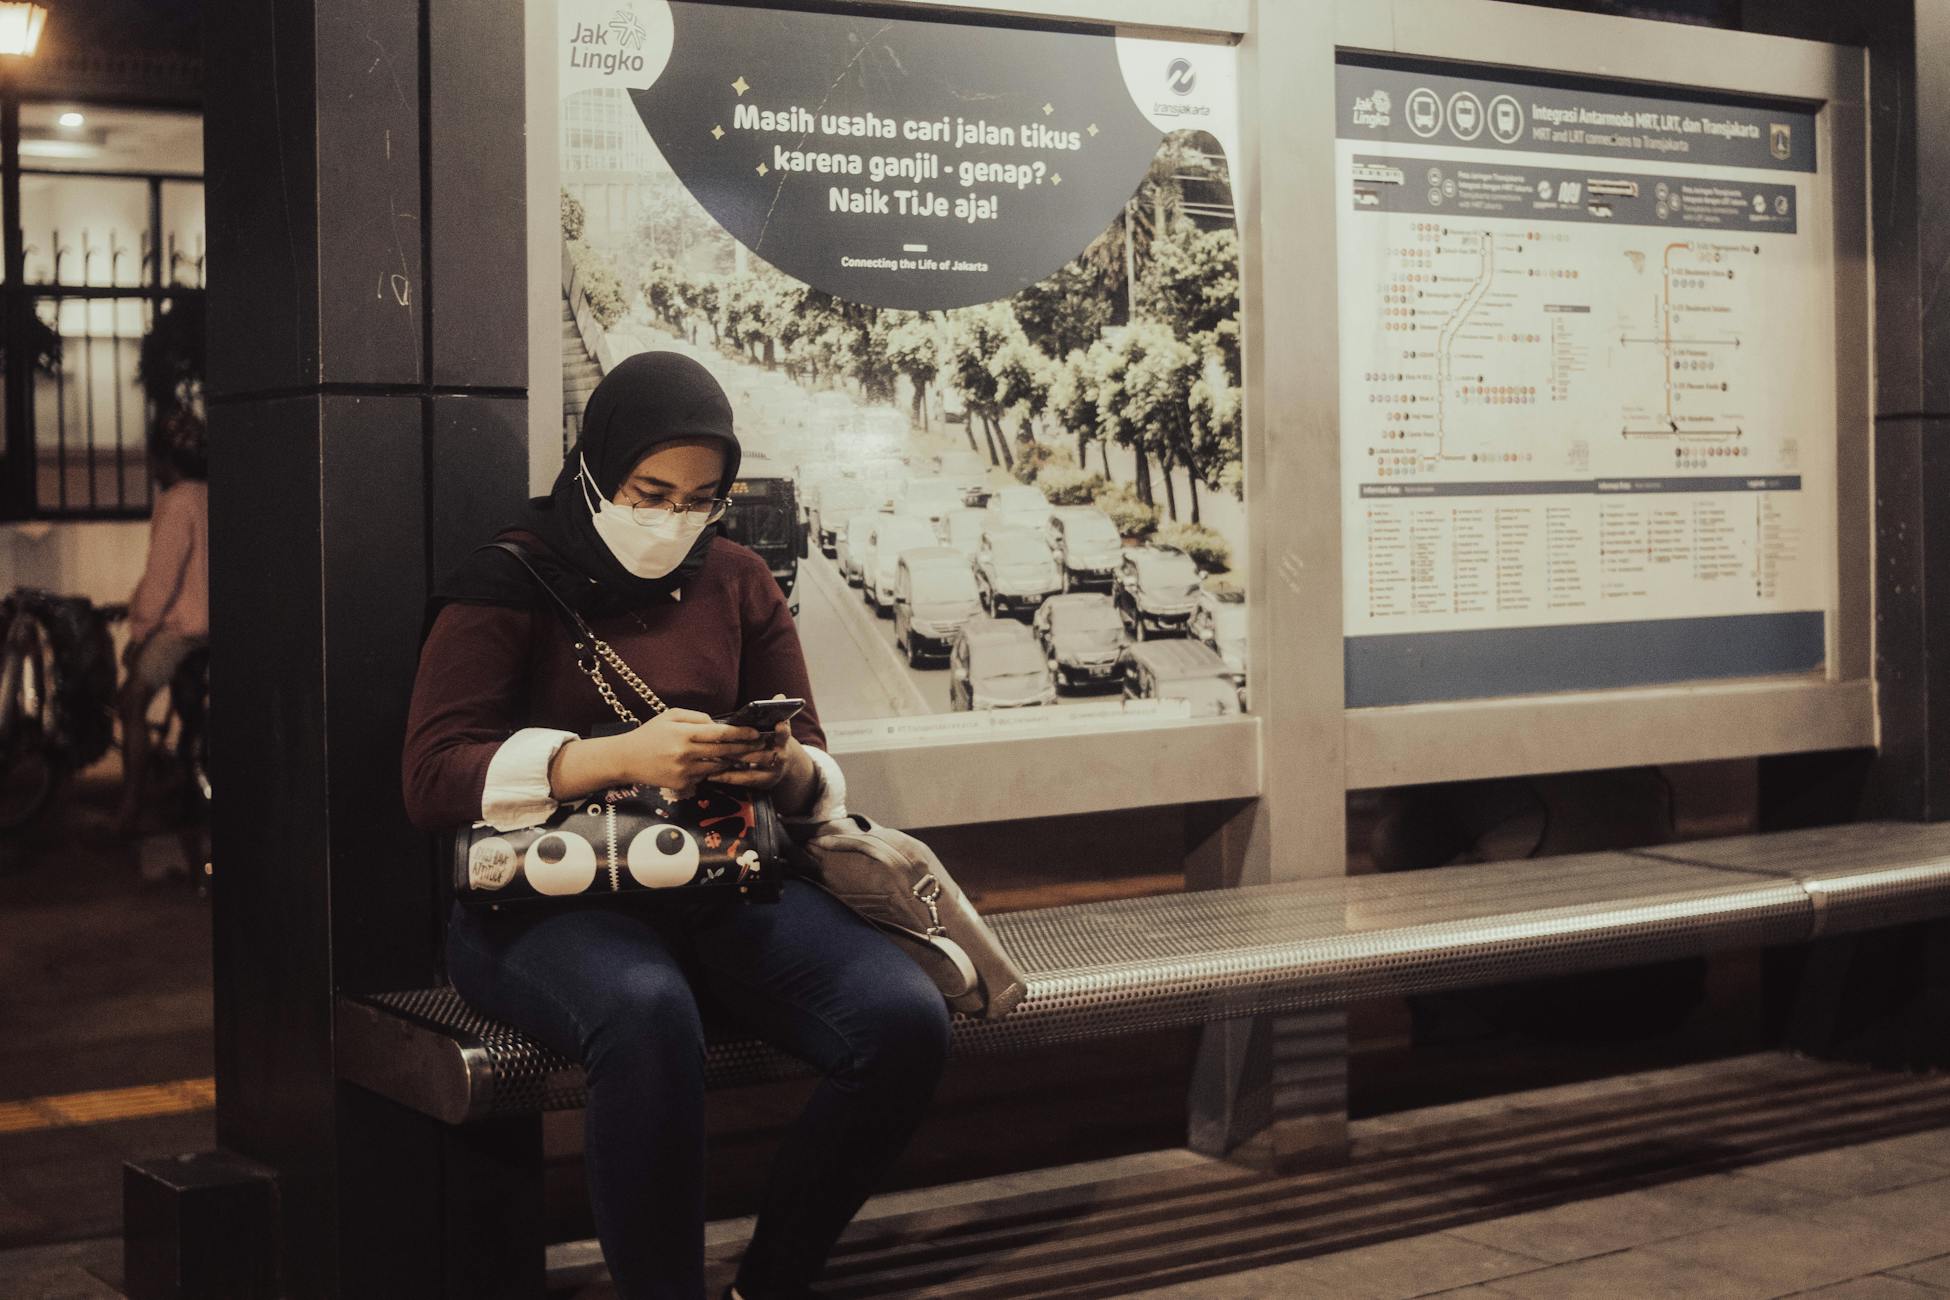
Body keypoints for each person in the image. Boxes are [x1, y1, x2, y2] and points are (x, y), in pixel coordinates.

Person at [402, 352, 951, 1300]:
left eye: (700, 500)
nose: (674, 521)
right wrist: (616, 757)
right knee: (647, 1011)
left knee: (905, 1021)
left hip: (716, 880)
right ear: (593, 467)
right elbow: (431, 776)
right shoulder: (508, 579)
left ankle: (768, 1283)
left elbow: (814, 761)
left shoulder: (737, 578)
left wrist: (777, 765)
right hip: (541, 909)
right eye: (649, 492)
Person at [116, 407, 208, 839]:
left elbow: (162, 579)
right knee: (192, 709)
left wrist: (138, 633)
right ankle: (186, 787)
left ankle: (129, 811)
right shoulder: (211, 494)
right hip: (215, 628)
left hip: (184, 630)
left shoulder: (177, 503)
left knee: (131, 699)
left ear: (166, 458)